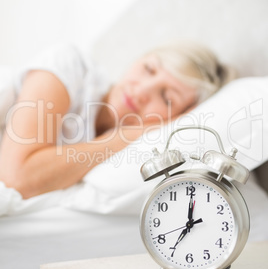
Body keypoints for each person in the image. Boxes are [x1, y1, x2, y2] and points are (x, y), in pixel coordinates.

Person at [0, 41, 234, 199]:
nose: (142, 89)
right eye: (149, 69)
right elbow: (18, 177)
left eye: (166, 97)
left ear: (176, 118)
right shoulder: (69, 67)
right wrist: (121, 137)